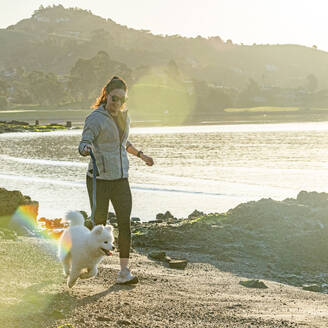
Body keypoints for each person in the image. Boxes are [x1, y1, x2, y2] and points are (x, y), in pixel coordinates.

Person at [78, 76, 154, 284]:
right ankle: (82, 260)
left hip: (121, 179)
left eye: (121, 100)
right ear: (106, 94)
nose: (116, 103)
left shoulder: (123, 117)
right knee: (98, 225)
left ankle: (123, 272)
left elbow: (123, 142)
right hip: (99, 179)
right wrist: (86, 149)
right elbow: (85, 141)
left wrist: (141, 155)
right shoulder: (95, 118)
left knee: (124, 224)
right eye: (113, 98)